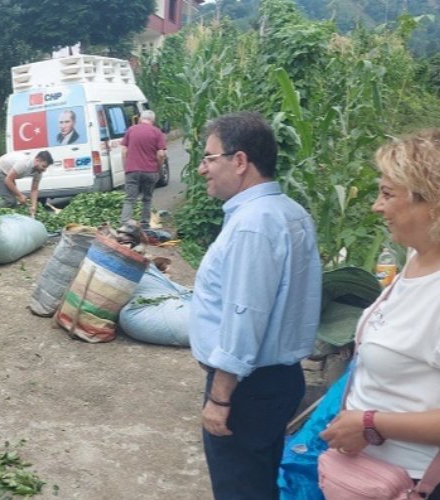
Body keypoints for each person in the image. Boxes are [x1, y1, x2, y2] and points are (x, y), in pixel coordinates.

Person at [188, 111, 322, 499]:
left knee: (240, 488)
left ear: (241, 161)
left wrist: (219, 397)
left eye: (210, 158)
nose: (202, 169)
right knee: (260, 483)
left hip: (247, 389)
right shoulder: (289, 212)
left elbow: (244, 317)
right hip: (277, 380)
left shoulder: (253, 225)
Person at [320, 129, 440, 499]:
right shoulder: (417, 260)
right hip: (367, 475)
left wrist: (371, 424)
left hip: (412, 482)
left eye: (388, 194)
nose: (376, 206)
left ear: (432, 203)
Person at [119, 110, 167, 228]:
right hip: (150, 171)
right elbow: (161, 154)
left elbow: (124, 151)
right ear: (153, 120)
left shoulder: (131, 130)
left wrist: (126, 167)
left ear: (140, 119)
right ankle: (145, 224)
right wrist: (157, 168)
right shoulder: (157, 132)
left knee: (130, 198)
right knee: (147, 199)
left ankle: (125, 223)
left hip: (132, 170)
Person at [0, 150, 53, 216]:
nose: (44, 170)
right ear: (37, 160)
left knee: (14, 203)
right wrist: (20, 195)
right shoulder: (25, 163)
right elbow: (8, 180)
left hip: (7, 175)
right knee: (9, 201)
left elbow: (34, 189)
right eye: (44, 166)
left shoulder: (38, 172)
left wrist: (33, 206)